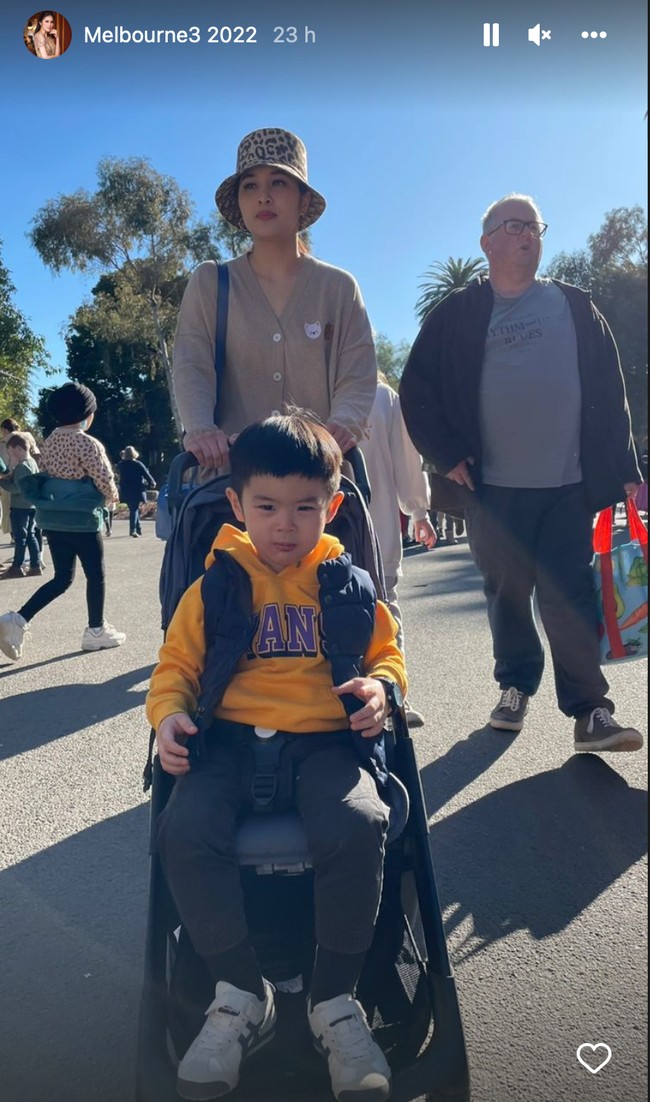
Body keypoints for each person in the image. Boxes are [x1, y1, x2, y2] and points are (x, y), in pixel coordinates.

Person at [147, 411, 406, 1102]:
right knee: (181, 829)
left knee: (359, 823)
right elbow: (174, 668)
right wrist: (170, 716)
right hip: (226, 741)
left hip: (325, 740)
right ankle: (238, 991)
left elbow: (387, 653)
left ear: (334, 507)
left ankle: (334, 999)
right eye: (266, 507)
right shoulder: (215, 587)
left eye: (304, 508)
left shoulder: (348, 586)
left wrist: (383, 688)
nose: (285, 524)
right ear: (237, 505)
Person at [399, 193, 643, 754]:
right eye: (514, 226)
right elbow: (418, 387)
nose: (528, 235)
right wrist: (446, 452)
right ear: (487, 243)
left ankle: (591, 712)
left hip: (568, 485)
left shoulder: (575, 305)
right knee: (507, 593)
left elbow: (610, 390)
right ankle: (514, 686)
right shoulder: (459, 313)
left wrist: (624, 466)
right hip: (491, 488)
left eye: (534, 226)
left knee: (568, 594)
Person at [172, 127, 377, 470]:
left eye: (278, 183)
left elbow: (357, 374)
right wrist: (201, 430)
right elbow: (192, 364)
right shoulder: (210, 282)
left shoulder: (338, 288)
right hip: (230, 485)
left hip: (316, 491)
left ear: (304, 200)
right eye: (250, 185)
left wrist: (343, 424)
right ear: (239, 200)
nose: (263, 196)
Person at [0, 382, 126, 662]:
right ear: (85, 415)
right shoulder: (86, 441)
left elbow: (46, 471)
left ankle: (17, 619)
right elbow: (103, 476)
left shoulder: (51, 440)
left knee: (61, 578)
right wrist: (112, 499)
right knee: (96, 575)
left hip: (54, 521)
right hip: (82, 520)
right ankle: (96, 630)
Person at [358, 374, 436, 727]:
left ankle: (394, 696)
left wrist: (418, 510)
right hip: (321, 532)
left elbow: (407, 458)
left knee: (385, 611)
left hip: (377, 530)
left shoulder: (382, 397)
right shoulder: (307, 384)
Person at [0, 433, 41, 577]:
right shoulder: (32, 463)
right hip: (31, 506)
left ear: (18, 449)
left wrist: (2, 481)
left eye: (11, 453)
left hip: (20, 507)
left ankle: (17, 566)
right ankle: (36, 565)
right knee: (31, 535)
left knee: (20, 537)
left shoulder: (22, 467)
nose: (11, 457)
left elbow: (17, 488)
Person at [117, 445, 156, 537]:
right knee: (134, 509)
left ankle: (138, 529)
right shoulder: (138, 464)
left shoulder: (121, 465)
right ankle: (133, 530)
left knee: (133, 508)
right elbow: (146, 474)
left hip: (125, 489)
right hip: (136, 489)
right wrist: (152, 482)